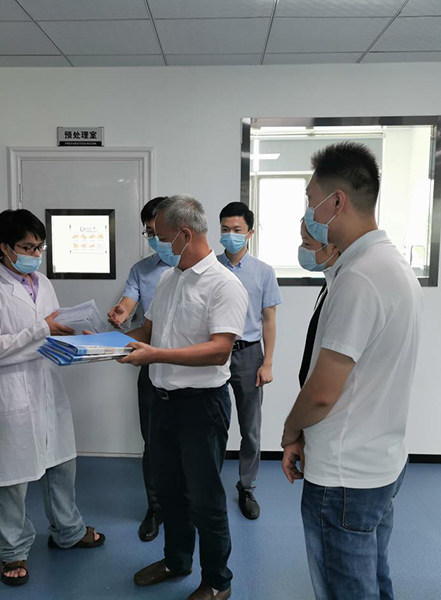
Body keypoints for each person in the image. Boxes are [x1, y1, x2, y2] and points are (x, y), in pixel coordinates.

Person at [280, 142, 422, 600]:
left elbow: (323, 391)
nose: (308, 211)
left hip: (344, 474)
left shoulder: (360, 276)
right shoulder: (389, 264)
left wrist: (290, 430)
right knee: (373, 578)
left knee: (347, 589)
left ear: (336, 201)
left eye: (310, 199)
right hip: (378, 459)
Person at [0, 209, 106, 587]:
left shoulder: (42, 283)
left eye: (39, 247)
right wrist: (41, 330)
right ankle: (13, 550)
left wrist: (78, 340)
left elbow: (51, 332)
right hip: (9, 395)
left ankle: (68, 531)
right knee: (11, 480)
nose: (35, 254)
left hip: (47, 388)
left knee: (62, 465)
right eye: (28, 247)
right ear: (5, 247)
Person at [119, 195, 248, 600]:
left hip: (201, 407)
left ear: (184, 235)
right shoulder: (170, 279)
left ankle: (217, 582)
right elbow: (146, 333)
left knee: (204, 498)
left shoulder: (224, 285)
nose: (155, 243)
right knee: (170, 492)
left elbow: (219, 350)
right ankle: (177, 561)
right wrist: (101, 343)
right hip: (163, 402)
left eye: (160, 236)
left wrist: (154, 355)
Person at [107, 196, 169, 541]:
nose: (155, 239)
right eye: (149, 233)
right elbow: (129, 304)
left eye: (159, 231)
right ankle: (156, 508)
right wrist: (121, 312)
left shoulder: (201, 271)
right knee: (153, 441)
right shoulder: (142, 270)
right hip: (151, 363)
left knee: (191, 443)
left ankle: (188, 508)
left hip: (193, 369)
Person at [216, 201, 282, 519]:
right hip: (214, 352)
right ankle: (208, 484)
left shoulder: (263, 272)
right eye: (225, 229)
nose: (230, 235)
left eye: (237, 230)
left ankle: (247, 486)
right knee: (211, 423)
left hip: (249, 353)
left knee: (250, 428)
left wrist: (267, 363)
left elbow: (269, 320)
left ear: (250, 233)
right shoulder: (208, 267)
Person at [296, 220, 340, 389]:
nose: (302, 249)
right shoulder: (329, 282)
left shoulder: (343, 287)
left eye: (307, 243)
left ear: (332, 247)